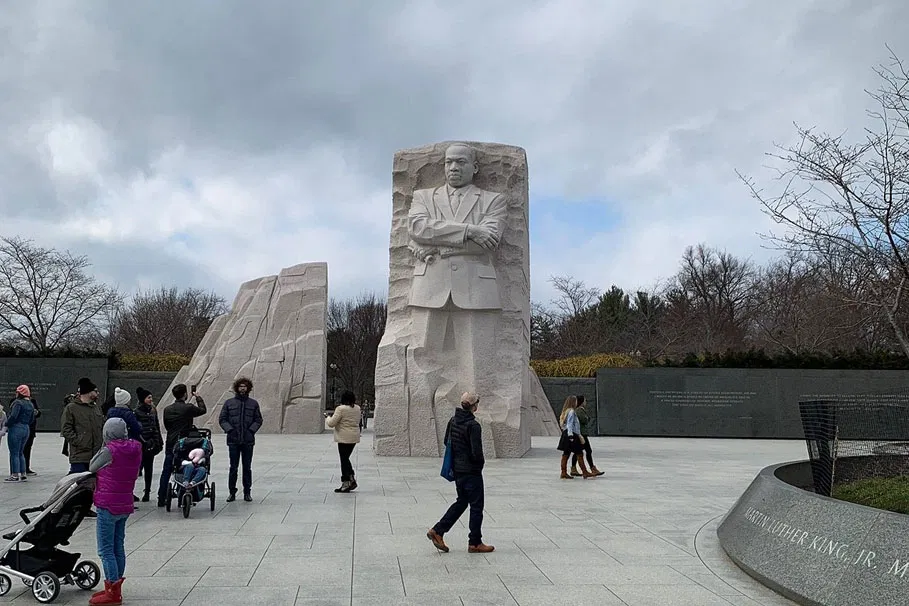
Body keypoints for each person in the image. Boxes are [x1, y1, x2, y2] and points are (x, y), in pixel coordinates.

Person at [406, 144, 509, 432]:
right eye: (449, 162)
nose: (453, 167)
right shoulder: (423, 197)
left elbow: (489, 241)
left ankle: (480, 424)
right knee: (422, 355)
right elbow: (417, 229)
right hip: (430, 286)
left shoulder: (493, 200)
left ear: (474, 167)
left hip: (476, 288)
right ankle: (422, 422)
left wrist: (438, 243)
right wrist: (468, 230)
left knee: (476, 361)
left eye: (461, 162)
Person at [426, 392, 494, 554]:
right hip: (471, 471)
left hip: (458, 470)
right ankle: (475, 542)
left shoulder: (453, 420)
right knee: (476, 506)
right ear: (474, 406)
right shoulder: (473, 425)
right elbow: (477, 452)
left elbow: (446, 441)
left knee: (462, 502)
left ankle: (438, 530)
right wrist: (479, 465)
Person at [88, 417, 142, 606]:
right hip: (125, 503)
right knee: (118, 546)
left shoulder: (109, 450)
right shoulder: (135, 448)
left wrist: (104, 445)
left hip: (107, 504)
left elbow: (92, 466)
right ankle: (115, 587)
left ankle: (112, 592)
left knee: (105, 550)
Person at [157, 384, 206, 507]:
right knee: (187, 466)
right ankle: (185, 494)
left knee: (167, 469)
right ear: (185, 394)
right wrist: (198, 397)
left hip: (171, 442)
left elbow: (167, 426)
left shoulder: (167, 409)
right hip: (185, 444)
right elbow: (203, 410)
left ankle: (161, 497)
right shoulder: (188, 408)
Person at [218, 377, 262, 503]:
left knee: (247, 467)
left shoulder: (253, 403)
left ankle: (247, 492)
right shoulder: (229, 403)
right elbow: (222, 419)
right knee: (233, 468)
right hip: (233, 440)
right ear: (237, 388)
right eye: (240, 386)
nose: (243, 388)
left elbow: (258, 419)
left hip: (248, 440)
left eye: (245, 386)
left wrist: (251, 430)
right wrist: (230, 430)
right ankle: (232, 492)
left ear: (248, 388)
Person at [60, 377, 105, 475]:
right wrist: (79, 441)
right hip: (79, 456)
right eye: (95, 391)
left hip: (96, 455)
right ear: (89, 392)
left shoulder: (95, 407)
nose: (98, 394)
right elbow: (66, 429)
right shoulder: (71, 408)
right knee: (80, 484)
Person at [325, 390, 361, 493]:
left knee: (344, 459)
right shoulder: (357, 408)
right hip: (354, 437)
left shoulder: (340, 409)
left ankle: (346, 482)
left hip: (343, 437)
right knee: (346, 458)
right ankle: (351, 478)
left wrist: (327, 417)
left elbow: (331, 423)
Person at [134, 387, 163, 502]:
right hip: (141, 444)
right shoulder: (136, 412)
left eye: (151, 397)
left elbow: (157, 426)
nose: (151, 399)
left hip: (151, 443)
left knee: (149, 468)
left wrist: (159, 441)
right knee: (137, 469)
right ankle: (131, 492)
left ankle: (147, 491)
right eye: (148, 397)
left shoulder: (153, 410)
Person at [558, 396, 594, 480]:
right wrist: (571, 435)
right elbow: (570, 424)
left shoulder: (565, 411)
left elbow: (564, 424)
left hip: (566, 434)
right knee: (579, 453)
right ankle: (585, 472)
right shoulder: (571, 412)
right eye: (576, 401)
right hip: (572, 435)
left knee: (566, 454)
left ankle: (563, 472)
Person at [4, 386, 35, 482]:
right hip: (26, 428)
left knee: (14, 453)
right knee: (21, 452)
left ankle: (15, 474)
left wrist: (7, 424)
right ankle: (23, 473)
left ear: (20, 393)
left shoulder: (17, 403)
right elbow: (32, 419)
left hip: (16, 428)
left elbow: (13, 416)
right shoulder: (30, 404)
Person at [570, 395, 604, 477]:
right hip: (582, 434)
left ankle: (574, 468)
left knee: (578, 451)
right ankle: (592, 468)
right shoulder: (579, 410)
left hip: (580, 433)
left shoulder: (578, 410)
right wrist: (587, 418)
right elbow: (584, 419)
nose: (586, 402)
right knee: (588, 451)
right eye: (585, 401)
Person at [23, 396, 39, 475]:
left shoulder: (33, 401)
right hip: (22, 428)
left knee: (27, 449)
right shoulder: (16, 402)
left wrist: (36, 412)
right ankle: (17, 469)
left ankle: (26, 468)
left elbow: (38, 413)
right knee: (19, 450)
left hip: (31, 429)